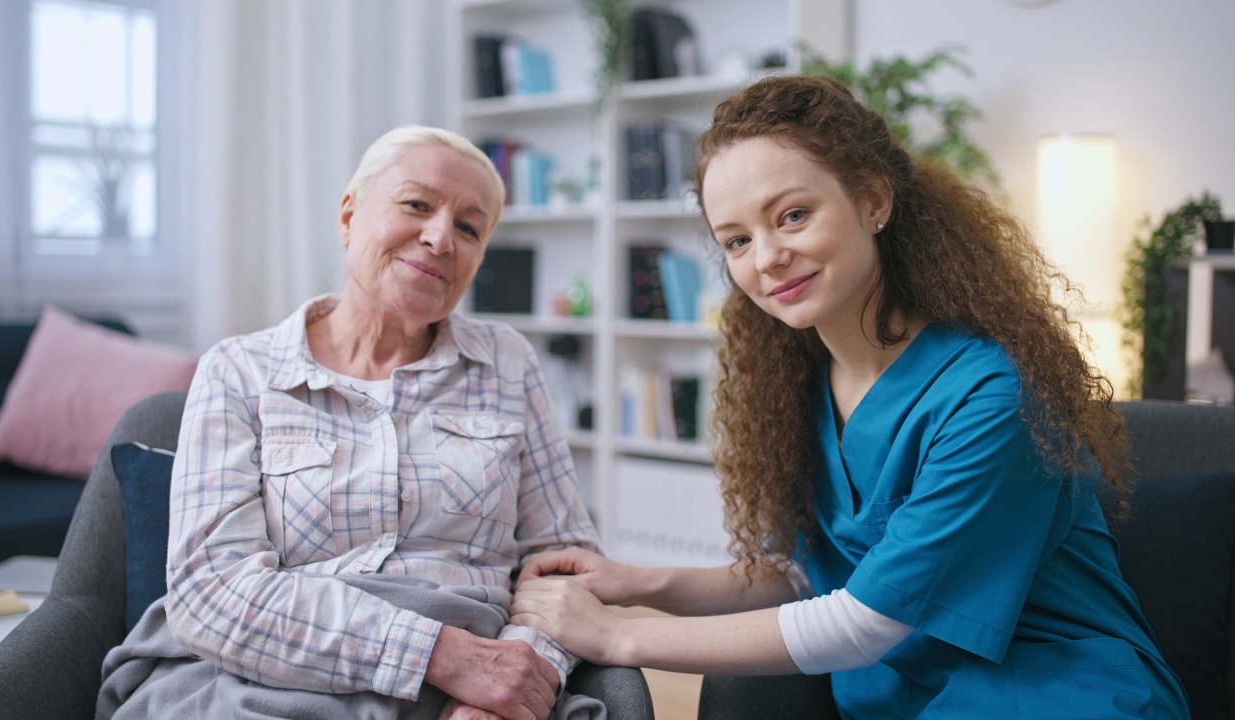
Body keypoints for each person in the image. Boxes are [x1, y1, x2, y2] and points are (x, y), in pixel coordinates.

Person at [509, 75, 1190, 718]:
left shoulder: (991, 396)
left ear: (873, 201)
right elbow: (810, 576)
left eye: (794, 215)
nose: (767, 257)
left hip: (1057, 696)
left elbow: (862, 622)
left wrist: (621, 638)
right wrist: (633, 582)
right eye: (737, 240)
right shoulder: (808, 386)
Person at [96, 126, 602, 720]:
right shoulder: (238, 371)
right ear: (348, 217)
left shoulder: (508, 363)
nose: (440, 237)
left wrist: (514, 679)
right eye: (416, 205)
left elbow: (565, 564)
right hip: (273, 673)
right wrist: (440, 656)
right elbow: (211, 592)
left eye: (468, 228)